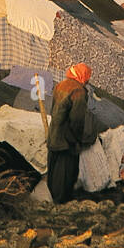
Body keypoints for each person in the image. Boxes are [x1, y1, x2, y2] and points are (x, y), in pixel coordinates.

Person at [46, 62, 94, 204]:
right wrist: (77, 140)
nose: (88, 80)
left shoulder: (60, 85)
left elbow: (54, 110)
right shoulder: (78, 91)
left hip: (54, 135)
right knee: (65, 173)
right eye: (88, 77)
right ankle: (61, 202)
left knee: (53, 170)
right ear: (83, 76)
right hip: (66, 140)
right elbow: (77, 120)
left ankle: (50, 198)